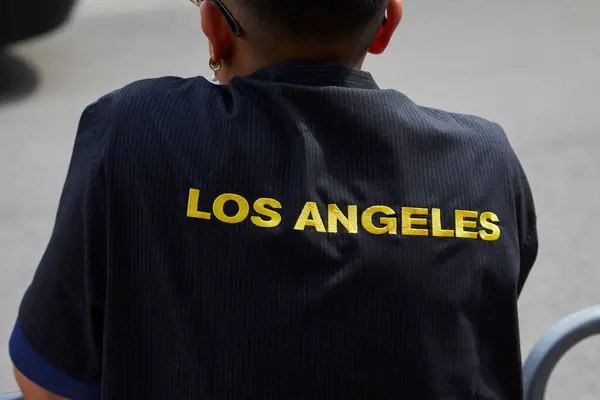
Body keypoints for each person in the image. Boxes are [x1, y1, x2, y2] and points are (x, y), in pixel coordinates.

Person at [9, 0, 538, 397]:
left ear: (215, 29)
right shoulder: (482, 165)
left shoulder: (134, 134)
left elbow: (44, 378)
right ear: (387, 24)